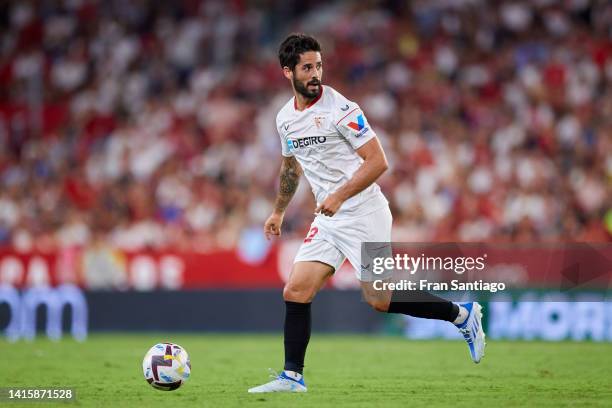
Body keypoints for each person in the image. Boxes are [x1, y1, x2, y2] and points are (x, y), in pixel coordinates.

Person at [248, 34, 485, 393]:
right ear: (287, 72)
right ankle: (292, 377)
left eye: (319, 66)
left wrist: (340, 196)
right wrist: (278, 211)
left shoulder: (342, 109)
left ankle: (462, 315)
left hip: (365, 214)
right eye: (307, 68)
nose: (316, 74)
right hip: (328, 220)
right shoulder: (285, 119)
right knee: (295, 290)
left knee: (380, 299)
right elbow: (290, 167)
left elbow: (378, 162)